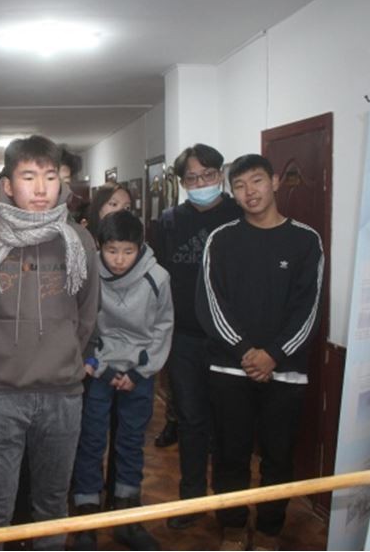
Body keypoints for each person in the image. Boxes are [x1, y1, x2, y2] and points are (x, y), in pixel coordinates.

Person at [0, 135, 100, 550]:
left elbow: (87, 313)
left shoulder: (79, 240)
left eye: (49, 177)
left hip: (62, 393)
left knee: (52, 504)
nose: (40, 188)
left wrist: (65, 353)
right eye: (28, 176)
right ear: (8, 184)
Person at [195, 154, 323, 551]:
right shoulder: (222, 239)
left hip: (285, 372)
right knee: (230, 455)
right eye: (239, 185)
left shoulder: (306, 240)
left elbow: (308, 308)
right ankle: (233, 527)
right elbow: (210, 304)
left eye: (257, 181)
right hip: (229, 370)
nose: (249, 192)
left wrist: (274, 355)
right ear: (232, 193)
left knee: (278, 458)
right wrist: (246, 351)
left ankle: (269, 531)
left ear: (275, 182)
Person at [152, 143, 243, 530]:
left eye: (208, 175)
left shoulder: (240, 215)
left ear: (221, 175)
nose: (201, 183)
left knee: (229, 424)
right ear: (182, 183)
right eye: (192, 178)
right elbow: (156, 277)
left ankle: (229, 508)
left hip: (232, 341)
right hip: (185, 339)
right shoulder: (169, 222)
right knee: (190, 421)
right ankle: (190, 501)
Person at [71, 211, 173, 550]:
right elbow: (81, 322)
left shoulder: (157, 278)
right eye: (112, 250)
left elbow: (163, 328)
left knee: (130, 443)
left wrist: (139, 372)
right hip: (98, 369)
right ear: (100, 247)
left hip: (139, 373)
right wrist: (96, 364)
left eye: (128, 251)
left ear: (140, 247)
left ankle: (127, 515)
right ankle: (87, 517)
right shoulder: (89, 274)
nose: (119, 259)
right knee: (90, 441)